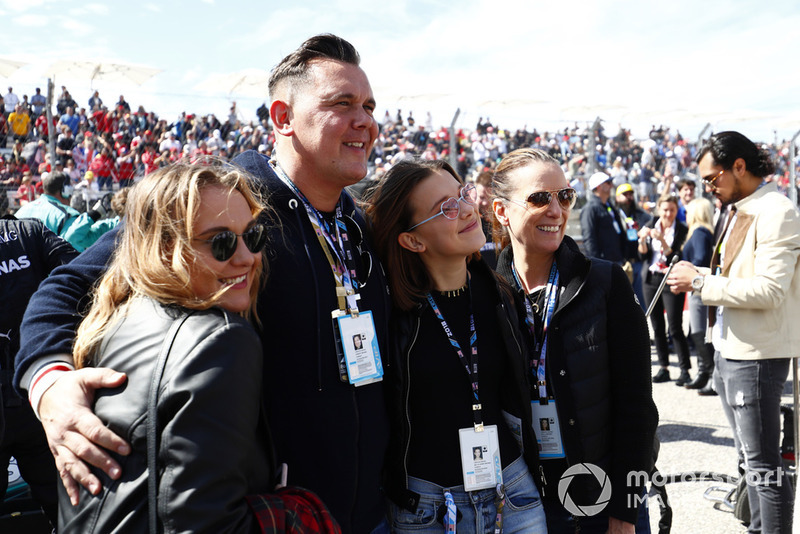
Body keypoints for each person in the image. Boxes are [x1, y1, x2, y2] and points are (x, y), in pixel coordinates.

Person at [15, 34, 390, 534]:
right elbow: (64, 287)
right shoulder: (221, 204)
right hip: (272, 517)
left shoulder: (356, 223)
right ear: (282, 118)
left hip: (368, 515)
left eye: (368, 105)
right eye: (342, 104)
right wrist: (51, 385)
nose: (365, 120)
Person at [367, 159, 546, 533]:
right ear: (413, 239)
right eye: (445, 208)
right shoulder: (391, 312)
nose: (466, 208)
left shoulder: (500, 293)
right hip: (427, 509)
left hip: (510, 492)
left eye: (462, 193)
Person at [491, 148, 657, 534]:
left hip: (605, 501)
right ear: (502, 211)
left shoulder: (606, 281)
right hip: (524, 504)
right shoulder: (487, 291)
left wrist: (626, 512)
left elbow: (638, 407)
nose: (556, 210)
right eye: (539, 198)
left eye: (564, 196)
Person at [668, 131, 798, 533]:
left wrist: (700, 284)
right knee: (751, 462)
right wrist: (701, 275)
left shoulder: (776, 210)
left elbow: (770, 290)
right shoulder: (742, 208)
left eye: (713, 178)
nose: (708, 187)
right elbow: (738, 277)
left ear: (739, 166)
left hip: (755, 356)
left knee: (764, 466)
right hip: (728, 349)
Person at [1, 216, 78, 530]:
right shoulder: (28, 232)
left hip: (39, 391)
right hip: (39, 388)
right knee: (68, 508)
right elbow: (82, 278)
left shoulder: (29, 232)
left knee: (68, 504)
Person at [638, 194, 691, 385]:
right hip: (651, 278)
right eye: (665, 210)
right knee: (657, 326)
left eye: (672, 210)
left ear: (677, 211)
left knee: (675, 326)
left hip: (671, 277)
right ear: (659, 209)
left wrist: (662, 241)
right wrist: (642, 241)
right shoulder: (651, 223)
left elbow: (675, 256)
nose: (668, 214)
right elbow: (643, 256)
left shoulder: (682, 229)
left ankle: (685, 369)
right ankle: (664, 367)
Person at [14, 171, 117, 252]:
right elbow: (78, 238)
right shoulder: (64, 214)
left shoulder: (21, 211)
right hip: (52, 275)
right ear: (64, 190)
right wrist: (115, 221)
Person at [679, 198, 716, 392]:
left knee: (700, 332)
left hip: (699, 286)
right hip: (698, 286)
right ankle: (704, 372)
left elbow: (700, 258)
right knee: (698, 332)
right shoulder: (700, 232)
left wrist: (688, 268)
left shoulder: (700, 232)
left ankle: (712, 374)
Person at [616, 182, 652, 309]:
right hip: (622, 264)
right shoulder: (614, 215)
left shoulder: (642, 215)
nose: (629, 197)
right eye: (625, 194)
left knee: (641, 301)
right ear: (617, 198)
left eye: (631, 194)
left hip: (639, 263)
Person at [580, 171, 626, 263]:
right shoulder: (590, 209)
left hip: (616, 260)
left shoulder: (609, 206)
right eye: (608, 183)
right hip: (603, 263)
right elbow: (589, 238)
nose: (611, 186)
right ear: (598, 187)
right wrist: (596, 264)